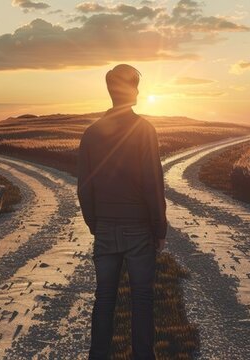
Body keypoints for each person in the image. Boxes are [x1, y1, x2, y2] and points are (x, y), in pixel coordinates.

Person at [77, 64, 167, 359]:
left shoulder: (91, 133)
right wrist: (159, 229)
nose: (139, 91)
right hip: (138, 228)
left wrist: (96, 224)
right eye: (136, 86)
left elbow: (84, 188)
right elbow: (153, 183)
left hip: (105, 227)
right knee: (141, 300)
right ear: (130, 91)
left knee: (104, 299)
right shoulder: (144, 130)